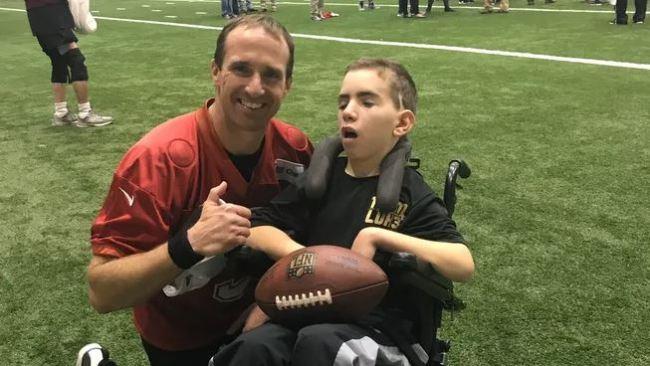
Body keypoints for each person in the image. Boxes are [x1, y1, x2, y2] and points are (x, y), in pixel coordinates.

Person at [209, 58, 475, 366]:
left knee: (321, 344)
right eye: (343, 102)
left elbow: (462, 263)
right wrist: (306, 261)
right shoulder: (319, 182)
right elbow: (258, 225)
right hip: (309, 308)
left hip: (378, 327)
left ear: (401, 123)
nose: (348, 111)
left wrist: (378, 236)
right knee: (255, 347)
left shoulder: (409, 192)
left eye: (367, 101)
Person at [85, 15, 313, 366]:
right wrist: (187, 245)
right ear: (215, 72)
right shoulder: (158, 159)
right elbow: (101, 291)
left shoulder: (295, 149)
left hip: (264, 317)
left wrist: (270, 301)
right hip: (181, 334)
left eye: (271, 74)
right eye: (241, 69)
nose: (255, 87)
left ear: (288, 85)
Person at [25, 0, 113, 127]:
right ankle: (85, 114)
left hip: (40, 14)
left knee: (58, 62)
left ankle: (61, 113)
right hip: (51, 12)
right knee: (76, 60)